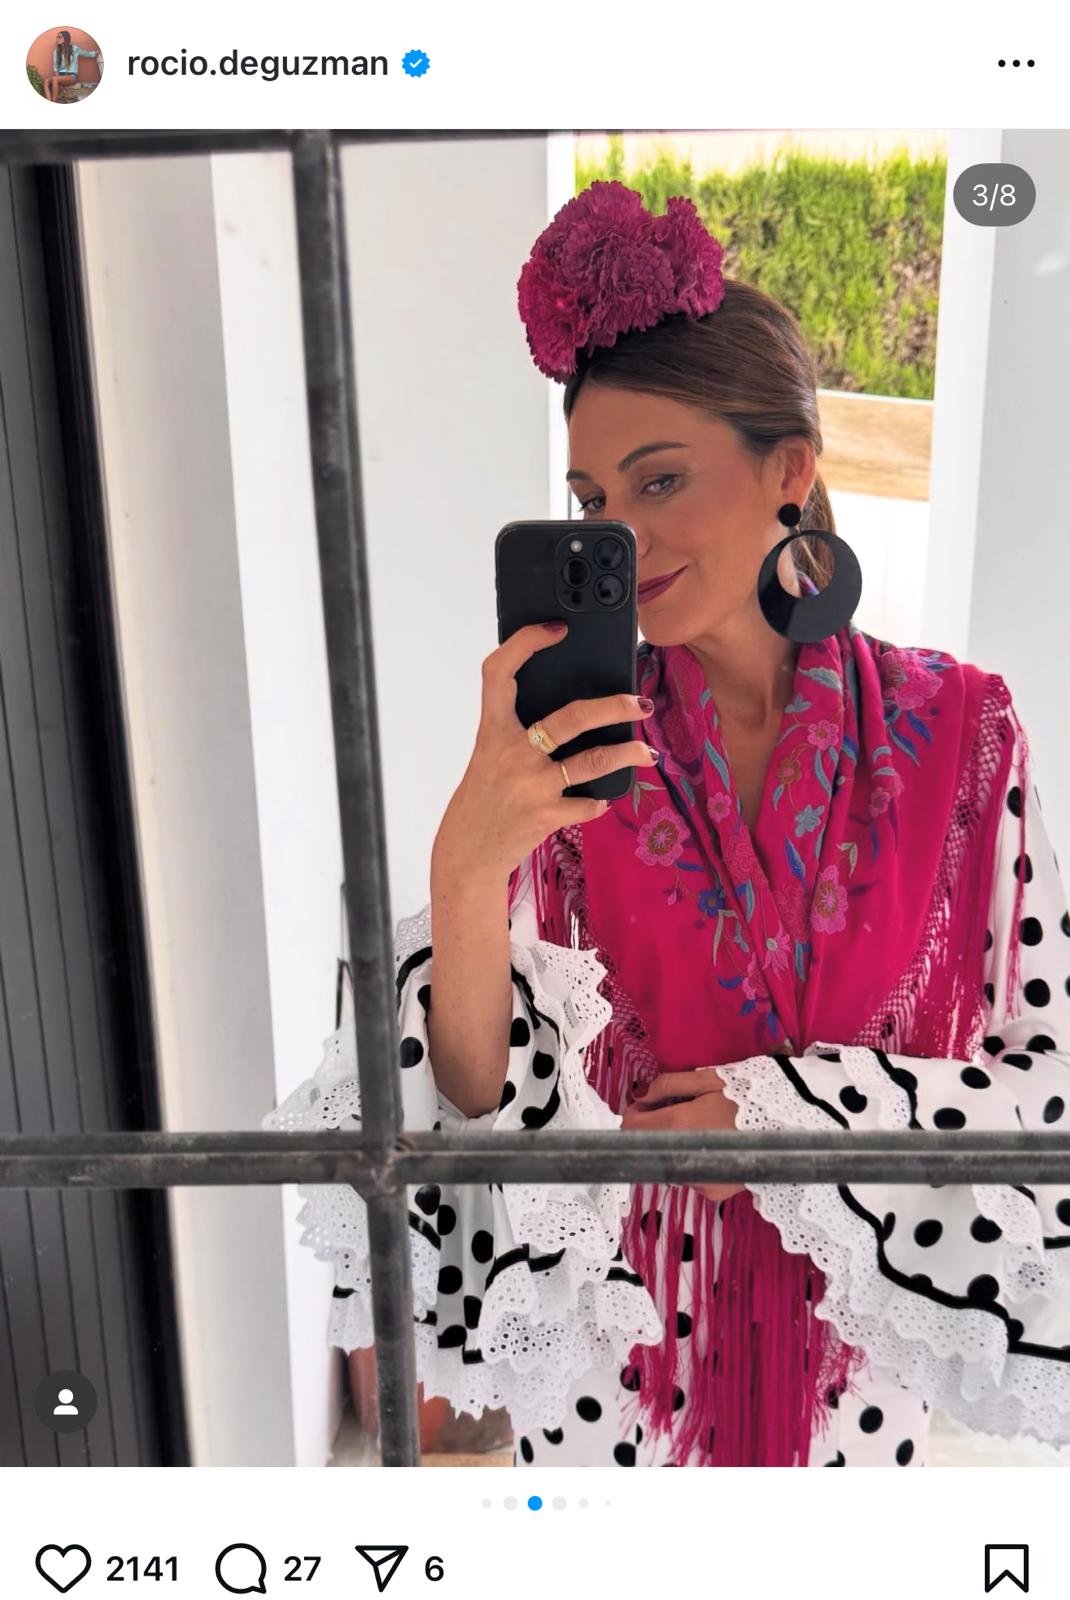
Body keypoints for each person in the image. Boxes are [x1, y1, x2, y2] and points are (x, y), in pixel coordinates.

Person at [267, 182, 1070, 1466]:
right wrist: (466, 863)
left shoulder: (964, 736)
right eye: (593, 499)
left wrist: (784, 1112)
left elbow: (1045, 1087)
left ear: (789, 470)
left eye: (661, 480)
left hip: (855, 1388)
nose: (622, 538)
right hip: (615, 1388)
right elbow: (475, 1107)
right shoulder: (575, 747)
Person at [43, 31, 101, 102]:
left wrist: (99, 51)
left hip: (71, 76)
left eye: (60, 37)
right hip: (60, 76)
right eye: (57, 37)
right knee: (46, 81)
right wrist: (58, 79)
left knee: (55, 79)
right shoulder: (56, 51)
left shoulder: (74, 48)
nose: (57, 39)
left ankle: (54, 101)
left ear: (66, 38)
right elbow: (55, 67)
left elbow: (87, 54)